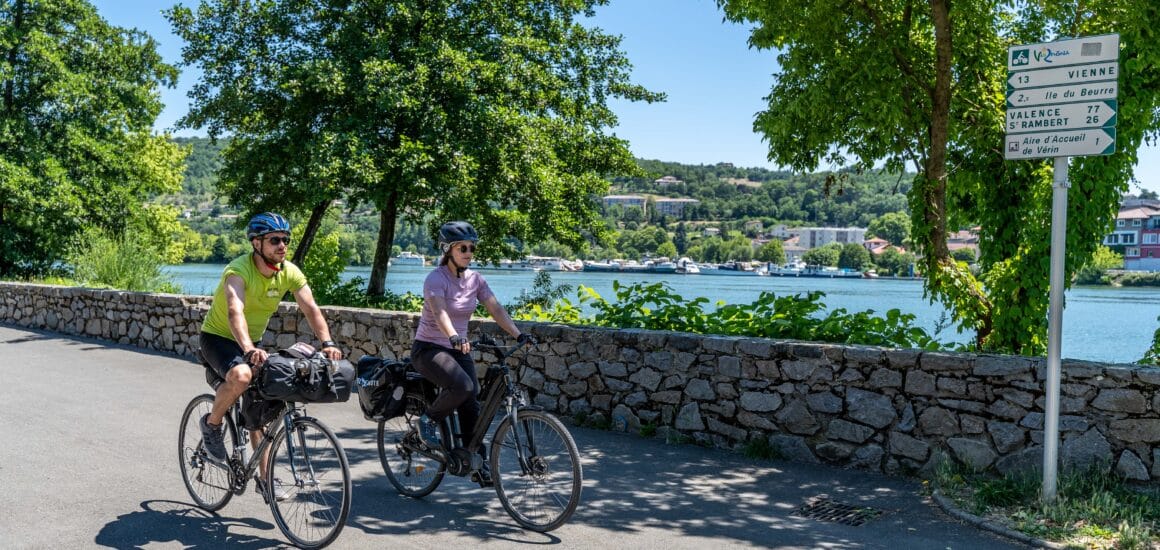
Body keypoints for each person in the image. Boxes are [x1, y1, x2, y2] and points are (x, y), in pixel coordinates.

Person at [197, 212, 344, 502]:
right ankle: (212, 425)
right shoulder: (238, 270)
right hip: (219, 338)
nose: (282, 246)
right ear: (256, 243)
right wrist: (248, 347)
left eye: (286, 240)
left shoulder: (288, 271)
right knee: (241, 375)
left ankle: (265, 479)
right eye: (275, 240)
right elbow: (234, 311)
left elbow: (311, 308)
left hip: (253, 342)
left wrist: (326, 342)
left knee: (260, 406)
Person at [411, 220, 534, 486]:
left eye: (471, 248)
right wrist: (453, 336)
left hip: (458, 347)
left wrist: (518, 334)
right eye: (462, 247)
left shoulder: (475, 279)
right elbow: (439, 312)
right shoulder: (435, 278)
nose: (468, 252)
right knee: (464, 387)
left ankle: (476, 461)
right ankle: (428, 420)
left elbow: (495, 308)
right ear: (448, 250)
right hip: (430, 348)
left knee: (472, 402)